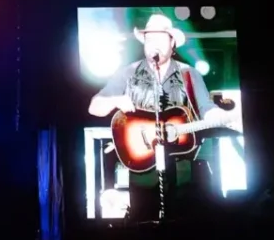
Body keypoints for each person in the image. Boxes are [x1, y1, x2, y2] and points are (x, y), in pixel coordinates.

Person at [88, 14, 230, 220]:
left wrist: (223, 116)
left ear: (172, 43)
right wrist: (115, 100)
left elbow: (207, 108)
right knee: (145, 227)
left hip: (182, 169)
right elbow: (94, 106)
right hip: (141, 168)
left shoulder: (189, 74)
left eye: (160, 39)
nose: (153, 44)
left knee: (184, 224)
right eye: (149, 39)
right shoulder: (128, 73)